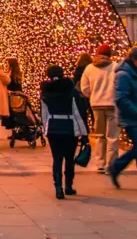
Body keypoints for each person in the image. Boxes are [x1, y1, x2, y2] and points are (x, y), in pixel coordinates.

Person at [108, 46, 137, 194]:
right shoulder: (123, 75)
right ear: (134, 60)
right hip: (131, 119)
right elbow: (121, 99)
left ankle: (115, 167)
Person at [41, 65, 88, 199]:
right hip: (69, 126)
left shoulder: (45, 92)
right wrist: (84, 133)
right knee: (69, 158)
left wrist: (46, 129)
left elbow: (44, 115)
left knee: (57, 159)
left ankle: (58, 188)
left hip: (53, 127)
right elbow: (78, 113)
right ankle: (68, 186)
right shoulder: (70, 91)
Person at [80, 44, 118, 173]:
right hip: (112, 104)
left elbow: (84, 88)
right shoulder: (115, 67)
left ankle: (100, 163)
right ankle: (111, 165)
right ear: (110, 54)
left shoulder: (89, 68)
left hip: (96, 104)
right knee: (112, 136)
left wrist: (92, 95)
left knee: (99, 135)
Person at [73, 52, 93, 129]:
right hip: (91, 94)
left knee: (83, 114)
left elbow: (75, 81)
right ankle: (94, 127)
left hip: (81, 95)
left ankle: (85, 130)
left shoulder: (78, 69)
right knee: (93, 114)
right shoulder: (92, 69)